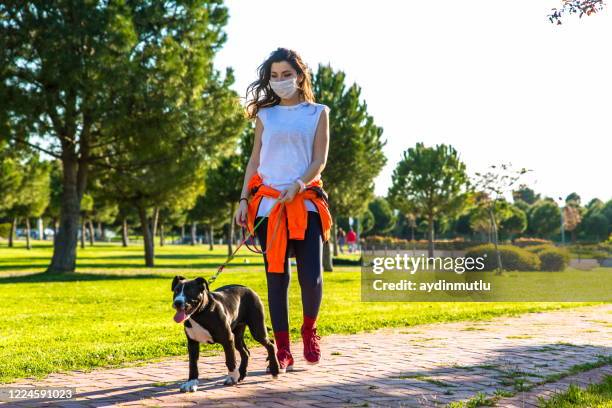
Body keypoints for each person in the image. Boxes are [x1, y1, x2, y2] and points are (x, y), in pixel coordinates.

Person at [234, 47, 332, 372]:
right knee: (277, 278)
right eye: (274, 76)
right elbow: (254, 159)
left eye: (286, 75)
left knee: (311, 276)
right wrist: (244, 199)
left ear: (299, 75)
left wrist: (300, 185)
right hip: (269, 207)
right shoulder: (266, 115)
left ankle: (309, 330)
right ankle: (283, 348)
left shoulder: (317, 112)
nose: (280, 81)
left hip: (305, 203)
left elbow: (319, 160)